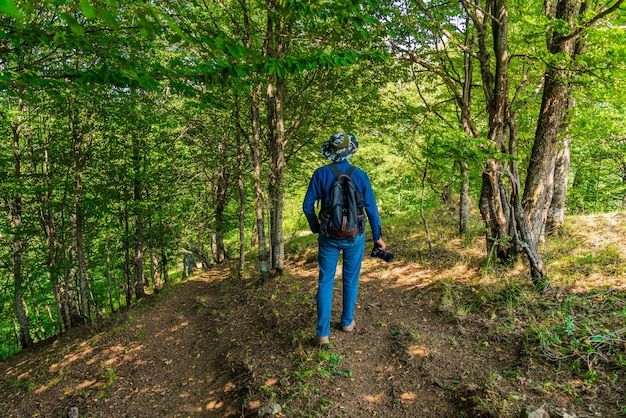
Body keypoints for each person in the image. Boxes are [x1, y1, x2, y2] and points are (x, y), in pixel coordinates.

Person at [302, 131, 386, 345]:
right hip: (355, 236)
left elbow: (307, 206)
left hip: (328, 236)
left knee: (325, 281)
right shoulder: (360, 175)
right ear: (350, 151)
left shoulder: (320, 174)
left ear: (330, 153)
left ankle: (323, 333)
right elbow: (372, 210)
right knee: (350, 278)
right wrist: (377, 237)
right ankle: (347, 322)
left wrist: (316, 227)